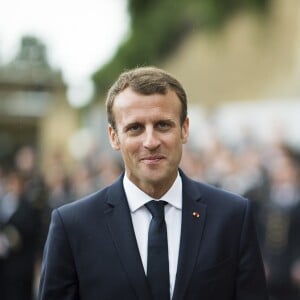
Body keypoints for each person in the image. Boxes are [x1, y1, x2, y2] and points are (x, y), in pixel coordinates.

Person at [38, 66, 268, 300]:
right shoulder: (72, 226)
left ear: (184, 129)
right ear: (114, 137)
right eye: (135, 128)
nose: (150, 141)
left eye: (162, 125)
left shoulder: (232, 217)